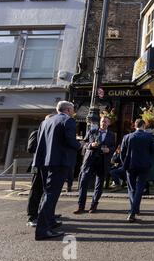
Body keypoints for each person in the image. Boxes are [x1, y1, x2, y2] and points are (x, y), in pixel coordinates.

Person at [33, 101, 83, 240]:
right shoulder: (68, 121)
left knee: (47, 192)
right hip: (59, 162)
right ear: (67, 109)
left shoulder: (46, 121)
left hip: (44, 162)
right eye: (73, 109)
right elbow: (70, 141)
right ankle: (42, 230)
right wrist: (80, 145)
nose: (73, 112)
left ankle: (50, 222)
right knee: (51, 194)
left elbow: (41, 141)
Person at [74, 116, 115, 214]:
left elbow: (113, 146)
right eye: (102, 121)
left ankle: (94, 205)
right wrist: (90, 145)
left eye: (105, 122)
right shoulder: (92, 131)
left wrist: (109, 150)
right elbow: (84, 143)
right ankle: (81, 206)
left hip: (102, 161)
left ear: (109, 123)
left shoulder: (111, 134)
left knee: (99, 185)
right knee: (83, 182)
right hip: (89, 160)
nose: (103, 123)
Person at [120, 119, 154, 223]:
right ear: (143, 126)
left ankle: (133, 210)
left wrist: (125, 164)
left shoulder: (127, 137)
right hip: (144, 166)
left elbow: (122, 153)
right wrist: (149, 162)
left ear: (134, 126)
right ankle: (133, 212)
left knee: (131, 189)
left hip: (130, 166)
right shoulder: (149, 137)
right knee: (140, 188)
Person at [26, 114, 55, 227]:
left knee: (46, 192)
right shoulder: (36, 132)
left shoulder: (52, 135)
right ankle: (32, 216)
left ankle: (43, 213)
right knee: (35, 191)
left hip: (49, 166)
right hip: (38, 166)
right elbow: (31, 148)